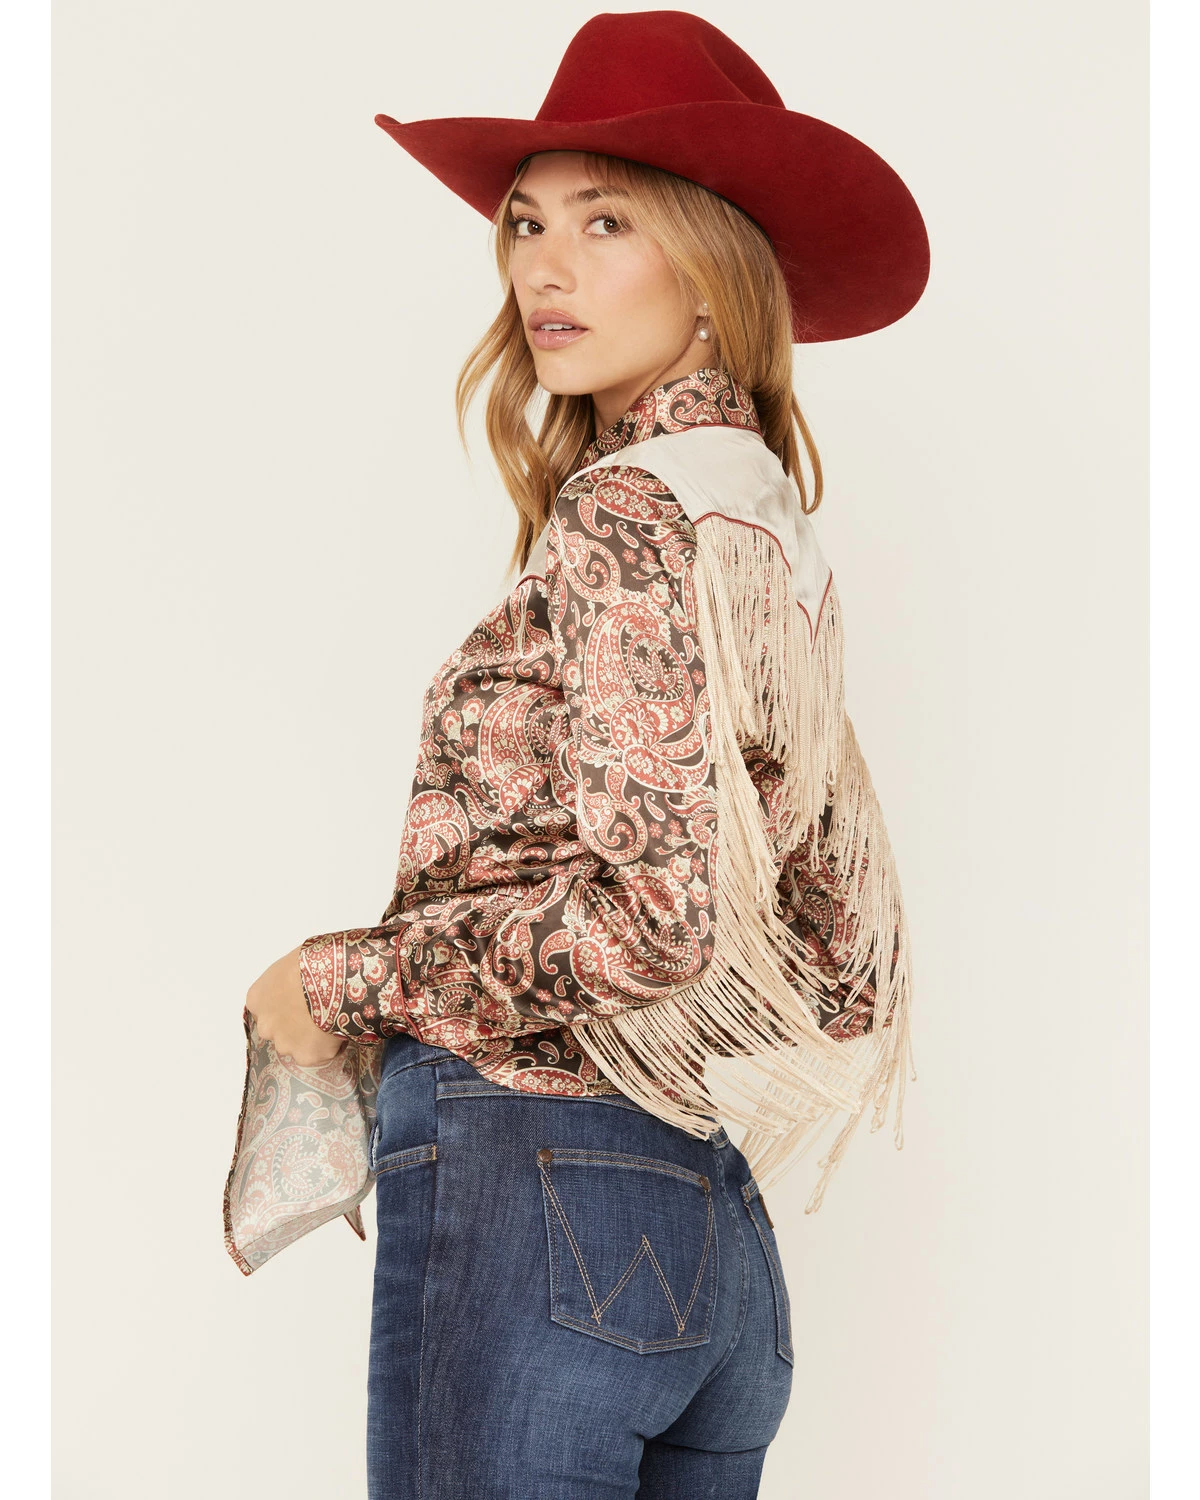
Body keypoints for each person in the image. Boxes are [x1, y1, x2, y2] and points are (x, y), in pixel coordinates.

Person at [224, 13, 927, 1497]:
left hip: (533, 1198)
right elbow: (842, 959)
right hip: (707, 1228)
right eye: (527, 223)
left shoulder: (628, 514)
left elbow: (655, 923)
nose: (544, 267)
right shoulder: (764, 531)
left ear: (715, 268)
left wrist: (334, 983)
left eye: (607, 222)